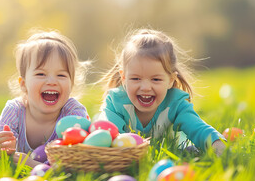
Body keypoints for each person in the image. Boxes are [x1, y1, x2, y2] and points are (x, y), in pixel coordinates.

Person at [97, 29, 226, 156]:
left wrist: (218, 146)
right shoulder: (115, 102)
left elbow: (198, 129)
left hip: (170, 156)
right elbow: (107, 135)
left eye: (156, 79)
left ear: (170, 80)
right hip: (128, 159)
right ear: (124, 78)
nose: (146, 87)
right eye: (135, 78)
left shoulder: (175, 104)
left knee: (189, 152)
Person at [0, 29, 90, 167]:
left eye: (61, 75)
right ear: (23, 84)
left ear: (72, 83)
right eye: (40, 74)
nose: (52, 81)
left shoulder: (73, 114)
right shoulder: (14, 111)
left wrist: (33, 165)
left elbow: (79, 161)